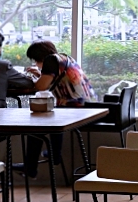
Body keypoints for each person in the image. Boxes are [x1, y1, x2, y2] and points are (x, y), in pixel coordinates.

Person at [22, 40, 95, 178]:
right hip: (86, 105)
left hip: (74, 107)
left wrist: (31, 78)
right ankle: (49, 157)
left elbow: (41, 87)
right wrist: (40, 74)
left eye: (36, 60)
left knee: (36, 125)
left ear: (39, 57)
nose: (36, 64)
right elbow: (56, 80)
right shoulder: (64, 57)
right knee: (44, 117)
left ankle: (35, 165)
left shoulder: (50, 60)